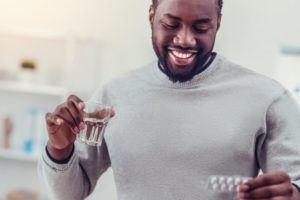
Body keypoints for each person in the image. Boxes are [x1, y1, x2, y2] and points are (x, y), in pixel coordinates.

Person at [38, 0, 300, 199]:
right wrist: (60, 150)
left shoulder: (266, 98)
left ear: (218, 23)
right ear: (152, 16)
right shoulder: (114, 95)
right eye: (171, 24)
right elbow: (70, 193)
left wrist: (292, 194)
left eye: (201, 27)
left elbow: (295, 183)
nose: (185, 39)